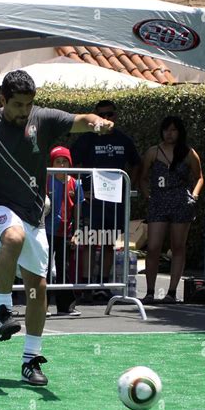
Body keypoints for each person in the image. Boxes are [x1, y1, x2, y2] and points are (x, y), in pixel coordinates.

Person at [0, 70, 113, 386]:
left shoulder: (43, 119)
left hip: (34, 215)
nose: (24, 111)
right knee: (13, 236)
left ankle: (30, 360)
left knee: (38, 288)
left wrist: (96, 123)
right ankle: (2, 310)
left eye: (28, 104)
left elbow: (81, 119)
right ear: (3, 99)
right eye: (18, 104)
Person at [71, 100, 141, 301]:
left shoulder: (124, 140)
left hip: (114, 201)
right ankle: (86, 285)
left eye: (110, 114)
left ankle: (102, 285)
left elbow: (137, 163)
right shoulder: (86, 140)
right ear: (96, 117)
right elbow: (72, 163)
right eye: (102, 115)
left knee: (109, 242)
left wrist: (129, 185)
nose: (107, 118)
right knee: (90, 242)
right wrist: (82, 188)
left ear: (115, 116)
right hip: (92, 201)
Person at [139, 115, 204, 304]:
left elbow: (199, 177)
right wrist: (147, 195)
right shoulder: (153, 152)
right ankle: (150, 292)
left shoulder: (189, 153)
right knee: (153, 247)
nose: (169, 133)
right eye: (166, 129)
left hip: (181, 203)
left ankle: (172, 292)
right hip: (158, 201)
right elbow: (142, 177)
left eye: (174, 130)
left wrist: (195, 195)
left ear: (180, 132)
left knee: (177, 247)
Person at [45, 146, 84, 317]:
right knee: (42, 269)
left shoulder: (75, 183)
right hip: (45, 231)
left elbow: (78, 210)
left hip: (65, 233)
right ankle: (42, 306)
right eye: (57, 161)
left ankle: (65, 306)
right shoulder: (45, 181)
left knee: (64, 269)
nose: (61, 165)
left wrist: (76, 233)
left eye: (64, 162)